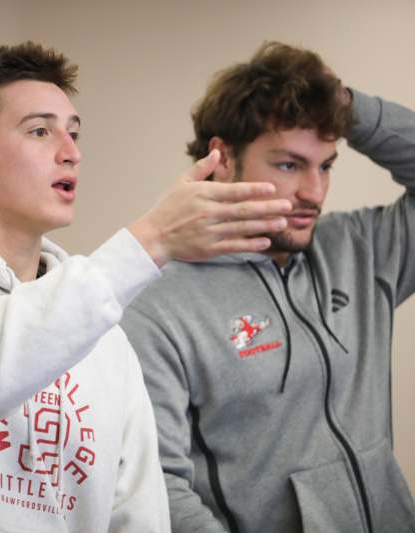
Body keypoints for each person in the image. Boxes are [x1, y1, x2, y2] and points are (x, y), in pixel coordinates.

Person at [0, 42, 290, 532]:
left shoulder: (106, 338)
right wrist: (149, 241)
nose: (71, 153)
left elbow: (135, 516)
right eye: (40, 131)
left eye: (75, 133)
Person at [121, 41, 415, 533]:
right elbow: (159, 488)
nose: (313, 191)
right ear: (223, 160)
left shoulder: (359, 251)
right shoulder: (156, 307)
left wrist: (347, 106)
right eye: (288, 165)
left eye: (324, 166)